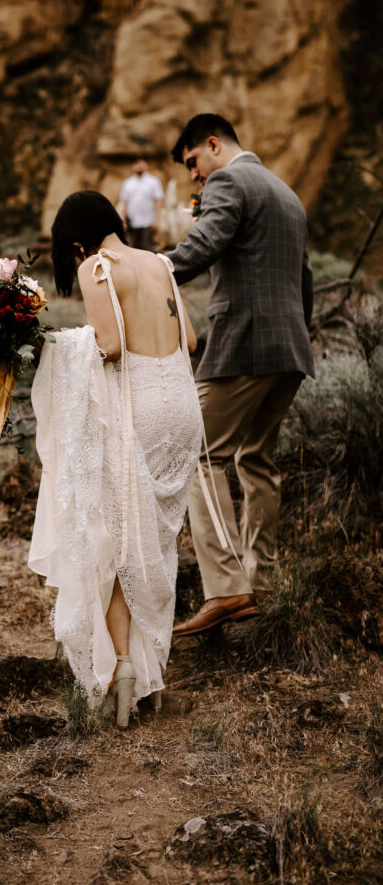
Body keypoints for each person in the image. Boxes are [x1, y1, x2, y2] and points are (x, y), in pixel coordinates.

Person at [29, 190, 201, 727]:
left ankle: (125, 666)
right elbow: (190, 340)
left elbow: (108, 345)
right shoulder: (162, 264)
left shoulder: (98, 268)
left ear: (77, 242)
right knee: (152, 545)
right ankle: (144, 671)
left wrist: (53, 347)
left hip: (141, 408)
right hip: (182, 409)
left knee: (115, 539)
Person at [166, 114, 315, 637]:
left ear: (212, 145)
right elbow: (305, 278)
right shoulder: (286, 192)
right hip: (290, 350)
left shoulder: (230, 181)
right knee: (256, 460)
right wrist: (299, 338)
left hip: (245, 346)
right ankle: (264, 582)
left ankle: (229, 590)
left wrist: (143, 269)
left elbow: (201, 247)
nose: (193, 177)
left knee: (197, 449)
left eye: (192, 163)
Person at [118, 159, 164, 251]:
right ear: (133, 166)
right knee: (131, 249)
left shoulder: (153, 182)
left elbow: (158, 202)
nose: (139, 166)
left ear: (146, 164)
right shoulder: (128, 183)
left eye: (141, 163)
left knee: (148, 249)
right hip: (132, 223)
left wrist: (156, 220)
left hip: (148, 222)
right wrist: (123, 221)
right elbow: (124, 203)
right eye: (136, 163)